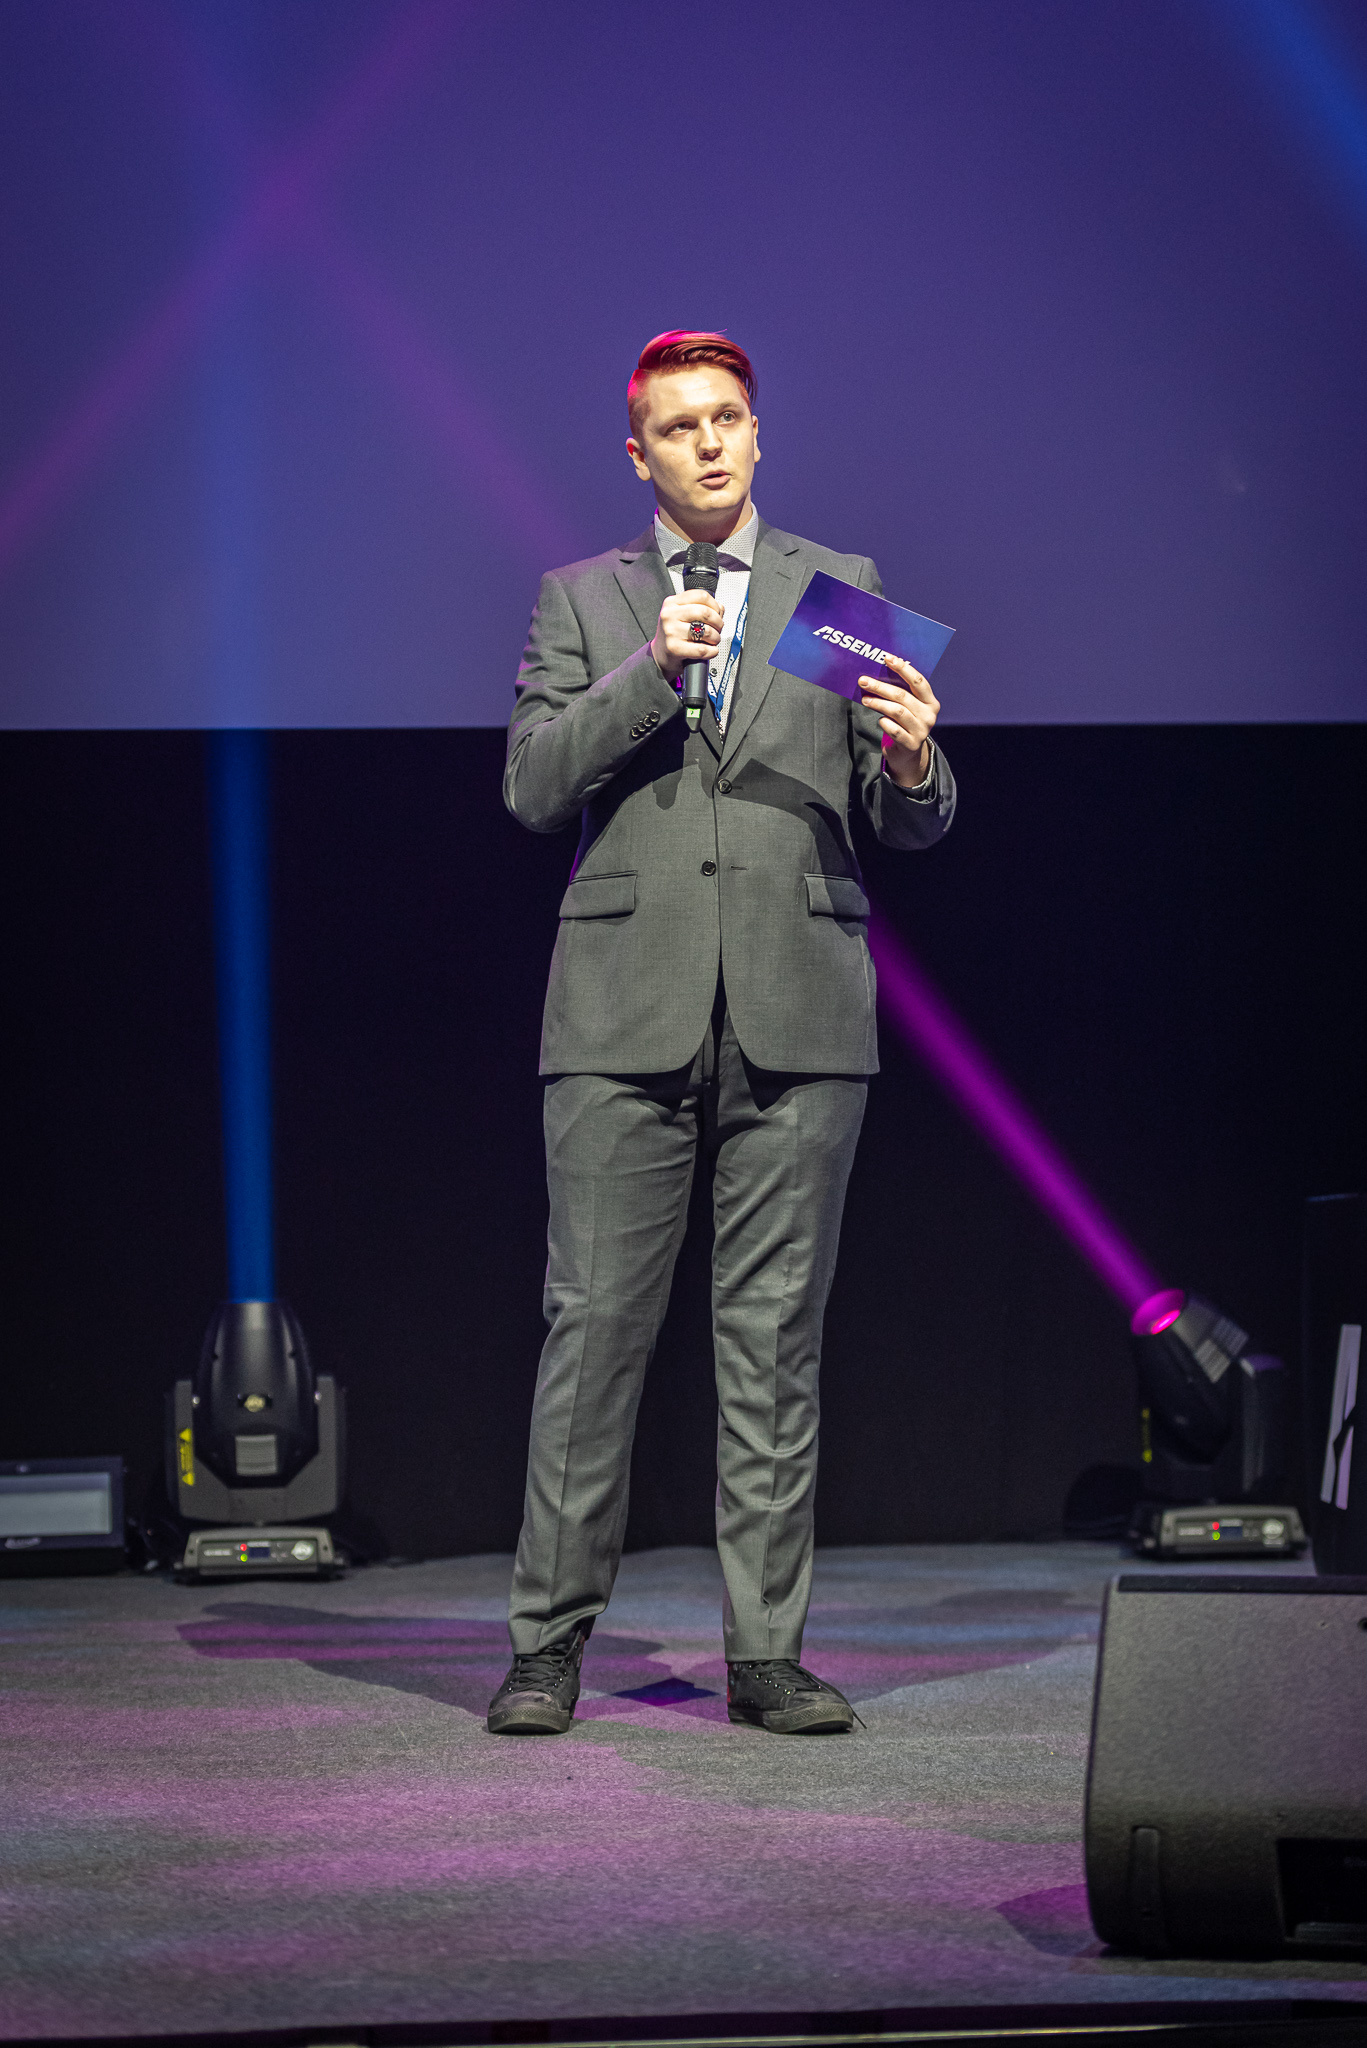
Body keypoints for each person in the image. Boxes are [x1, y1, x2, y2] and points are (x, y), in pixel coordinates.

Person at [489, 331, 955, 1737]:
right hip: (621, 1007)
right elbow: (532, 788)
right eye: (681, 425)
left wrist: (916, 762)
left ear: (759, 436)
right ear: (638, 454)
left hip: (797, 1004)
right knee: (593, 1334)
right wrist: (651, 667)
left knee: (773, 1342)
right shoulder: (586, 599)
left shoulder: (839, 590)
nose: (709, 441)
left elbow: (907, 817)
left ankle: (766, 1655)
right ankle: (547, 1647)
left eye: (729, 418)